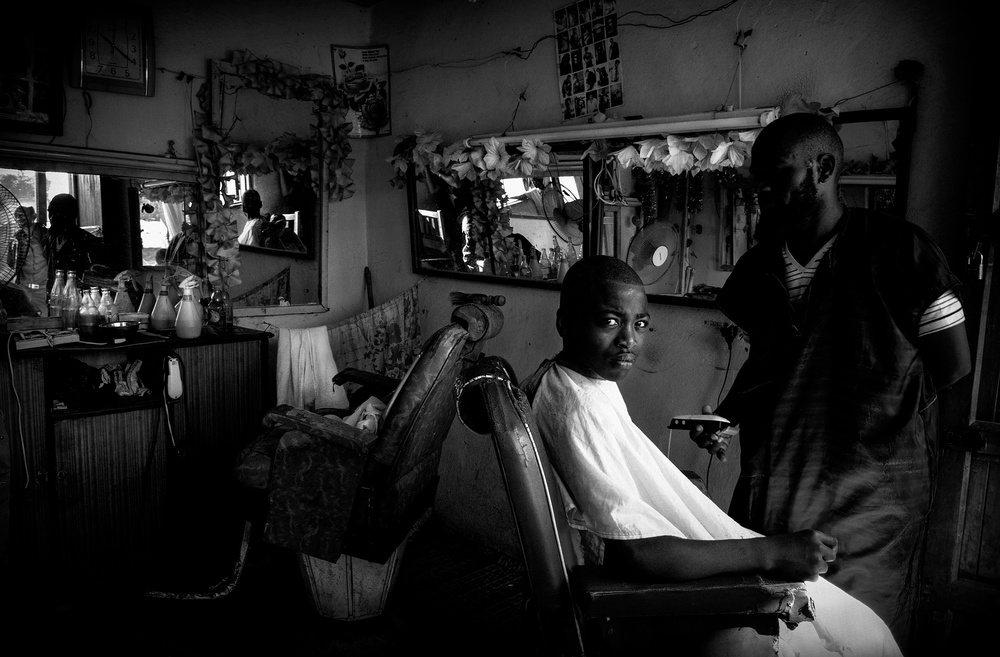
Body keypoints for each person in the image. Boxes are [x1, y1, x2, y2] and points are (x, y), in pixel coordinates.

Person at [687, 112, 971, 651]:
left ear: (822, 168)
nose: (762, 189)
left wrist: (875, 405)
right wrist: (729, 415)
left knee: (857, 634)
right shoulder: (760, 267)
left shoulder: (902, 251)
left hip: (871, 500)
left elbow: (953, 364)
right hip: (775, 489)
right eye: (757, 178)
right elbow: (770, 362)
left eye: (777, 174)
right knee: (770, 627)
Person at [523, 256, 902, 656]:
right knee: (861, 636)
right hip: (641, 597)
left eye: (641, 324)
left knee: (859, 627)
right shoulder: (578, 407)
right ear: (565, 322)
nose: (629, 340)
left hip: (666, 566)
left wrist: (676, 490)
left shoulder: (573, 383)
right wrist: (772, 552)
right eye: (610, 321)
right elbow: (635, 552)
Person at [46, 193, 106, 288]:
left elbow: (96, 279)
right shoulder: (49, 239)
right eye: (50, 212)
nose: (52, 217)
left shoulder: (88, 241)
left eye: (58, 213)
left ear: (71, 214)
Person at [6, 206, 48, 314]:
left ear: (33, 216)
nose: (19, 218)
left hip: (43, 290)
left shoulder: (46, 236)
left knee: (45, 319)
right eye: (16, 216)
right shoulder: (15, 239)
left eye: (22, 215)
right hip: (24, 289)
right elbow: (10, 263)